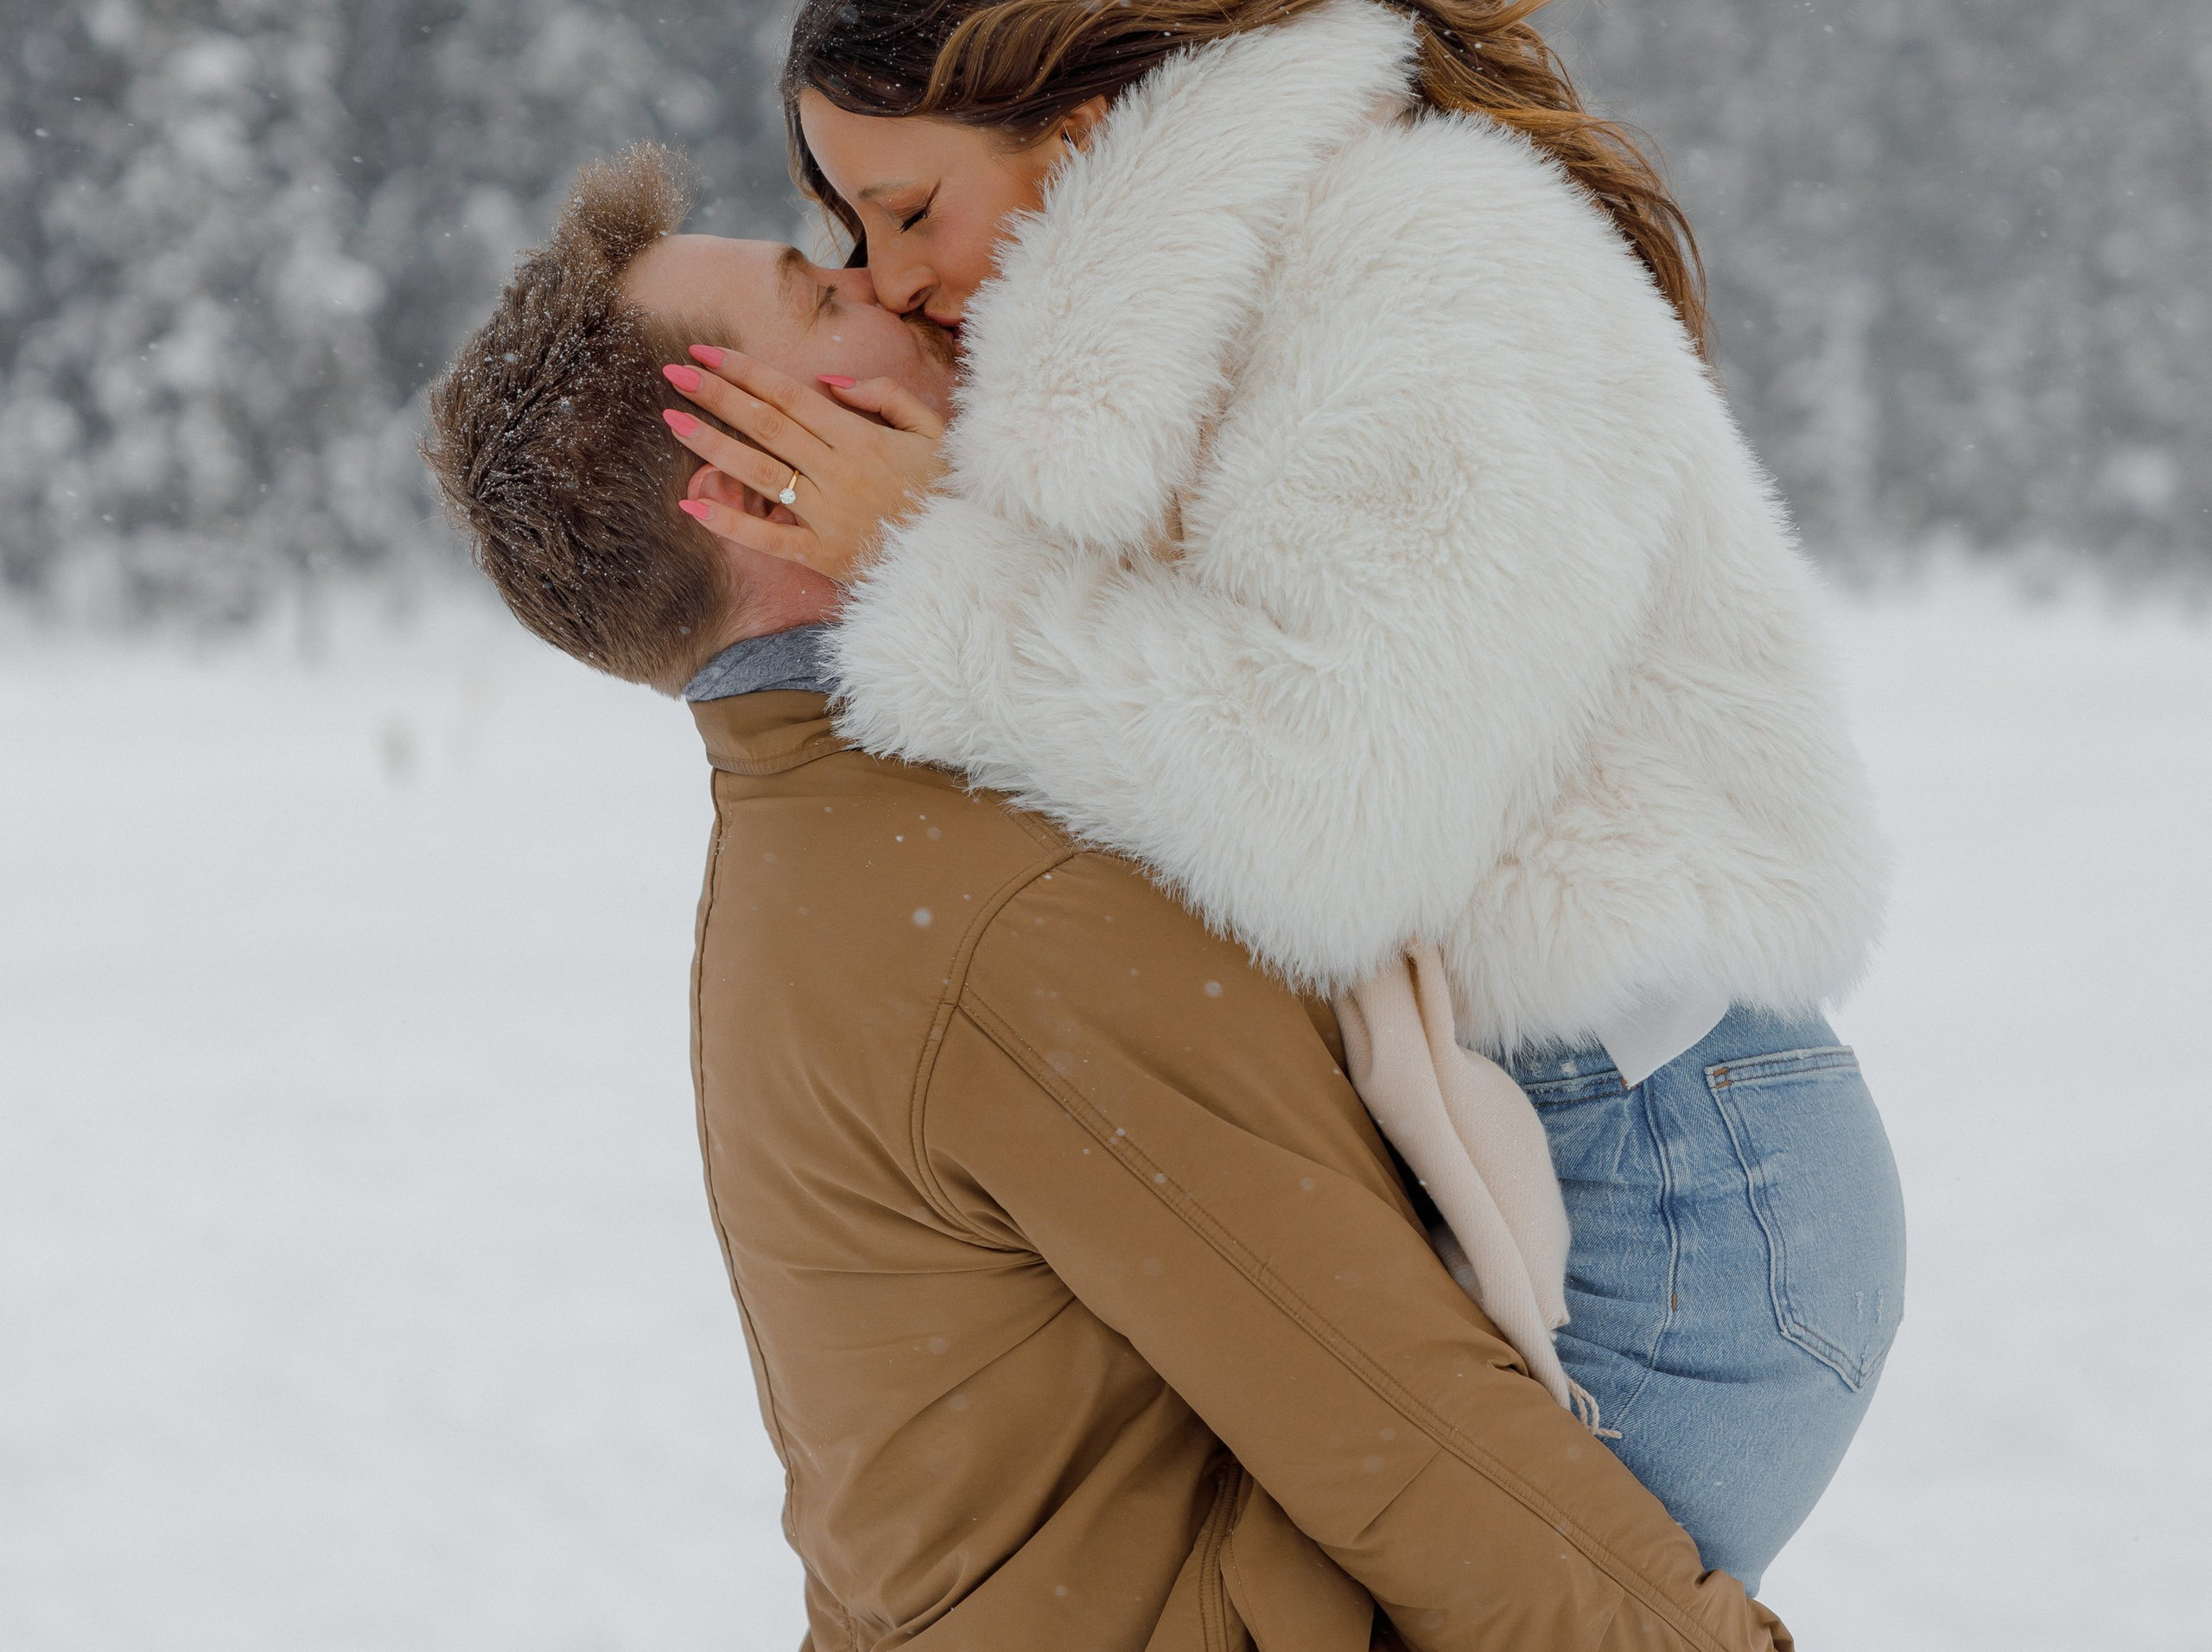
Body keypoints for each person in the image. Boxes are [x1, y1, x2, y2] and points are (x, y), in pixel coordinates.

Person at [661, 0, 1907, 1592]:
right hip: (1563, 1130)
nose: (887, 276)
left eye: (909, 206)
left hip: (1665, 1180)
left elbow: (1329, 804)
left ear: (1073, 121)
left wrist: (934, 568)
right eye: (848, 230)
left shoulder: (1410, 261)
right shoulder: (1245, 301)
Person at [423, 144, 1793, 1649]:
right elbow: (1393, 1423)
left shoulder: (842, 829)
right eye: (825, 298)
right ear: (751, 468)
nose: (900, 293)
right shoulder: (993, 893)